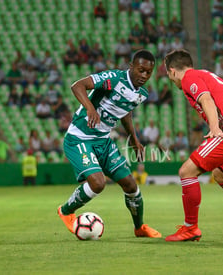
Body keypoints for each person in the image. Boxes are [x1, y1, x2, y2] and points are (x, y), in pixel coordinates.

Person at [57, 49, 161, 238]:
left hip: (103, 141)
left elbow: (125, 112)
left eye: (148, 72)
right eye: (140, 70)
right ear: (131, 67)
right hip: (80, 137)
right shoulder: (113, 78)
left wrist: (135, 140)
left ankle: (139, 228)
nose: (144, 75)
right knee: (98, 183)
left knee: (131, 185)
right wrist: (90, 109)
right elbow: (77, 86)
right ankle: (65, 211)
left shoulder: (141, 93)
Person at [164, 49, 223, 242]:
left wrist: (215, 128)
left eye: (168, 75)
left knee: (186, 172)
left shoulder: (190, 78)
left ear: (173, 71)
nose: (171, 80)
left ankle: (190, 228)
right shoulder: (207, 75)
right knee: (220, 175)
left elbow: (206, 100)